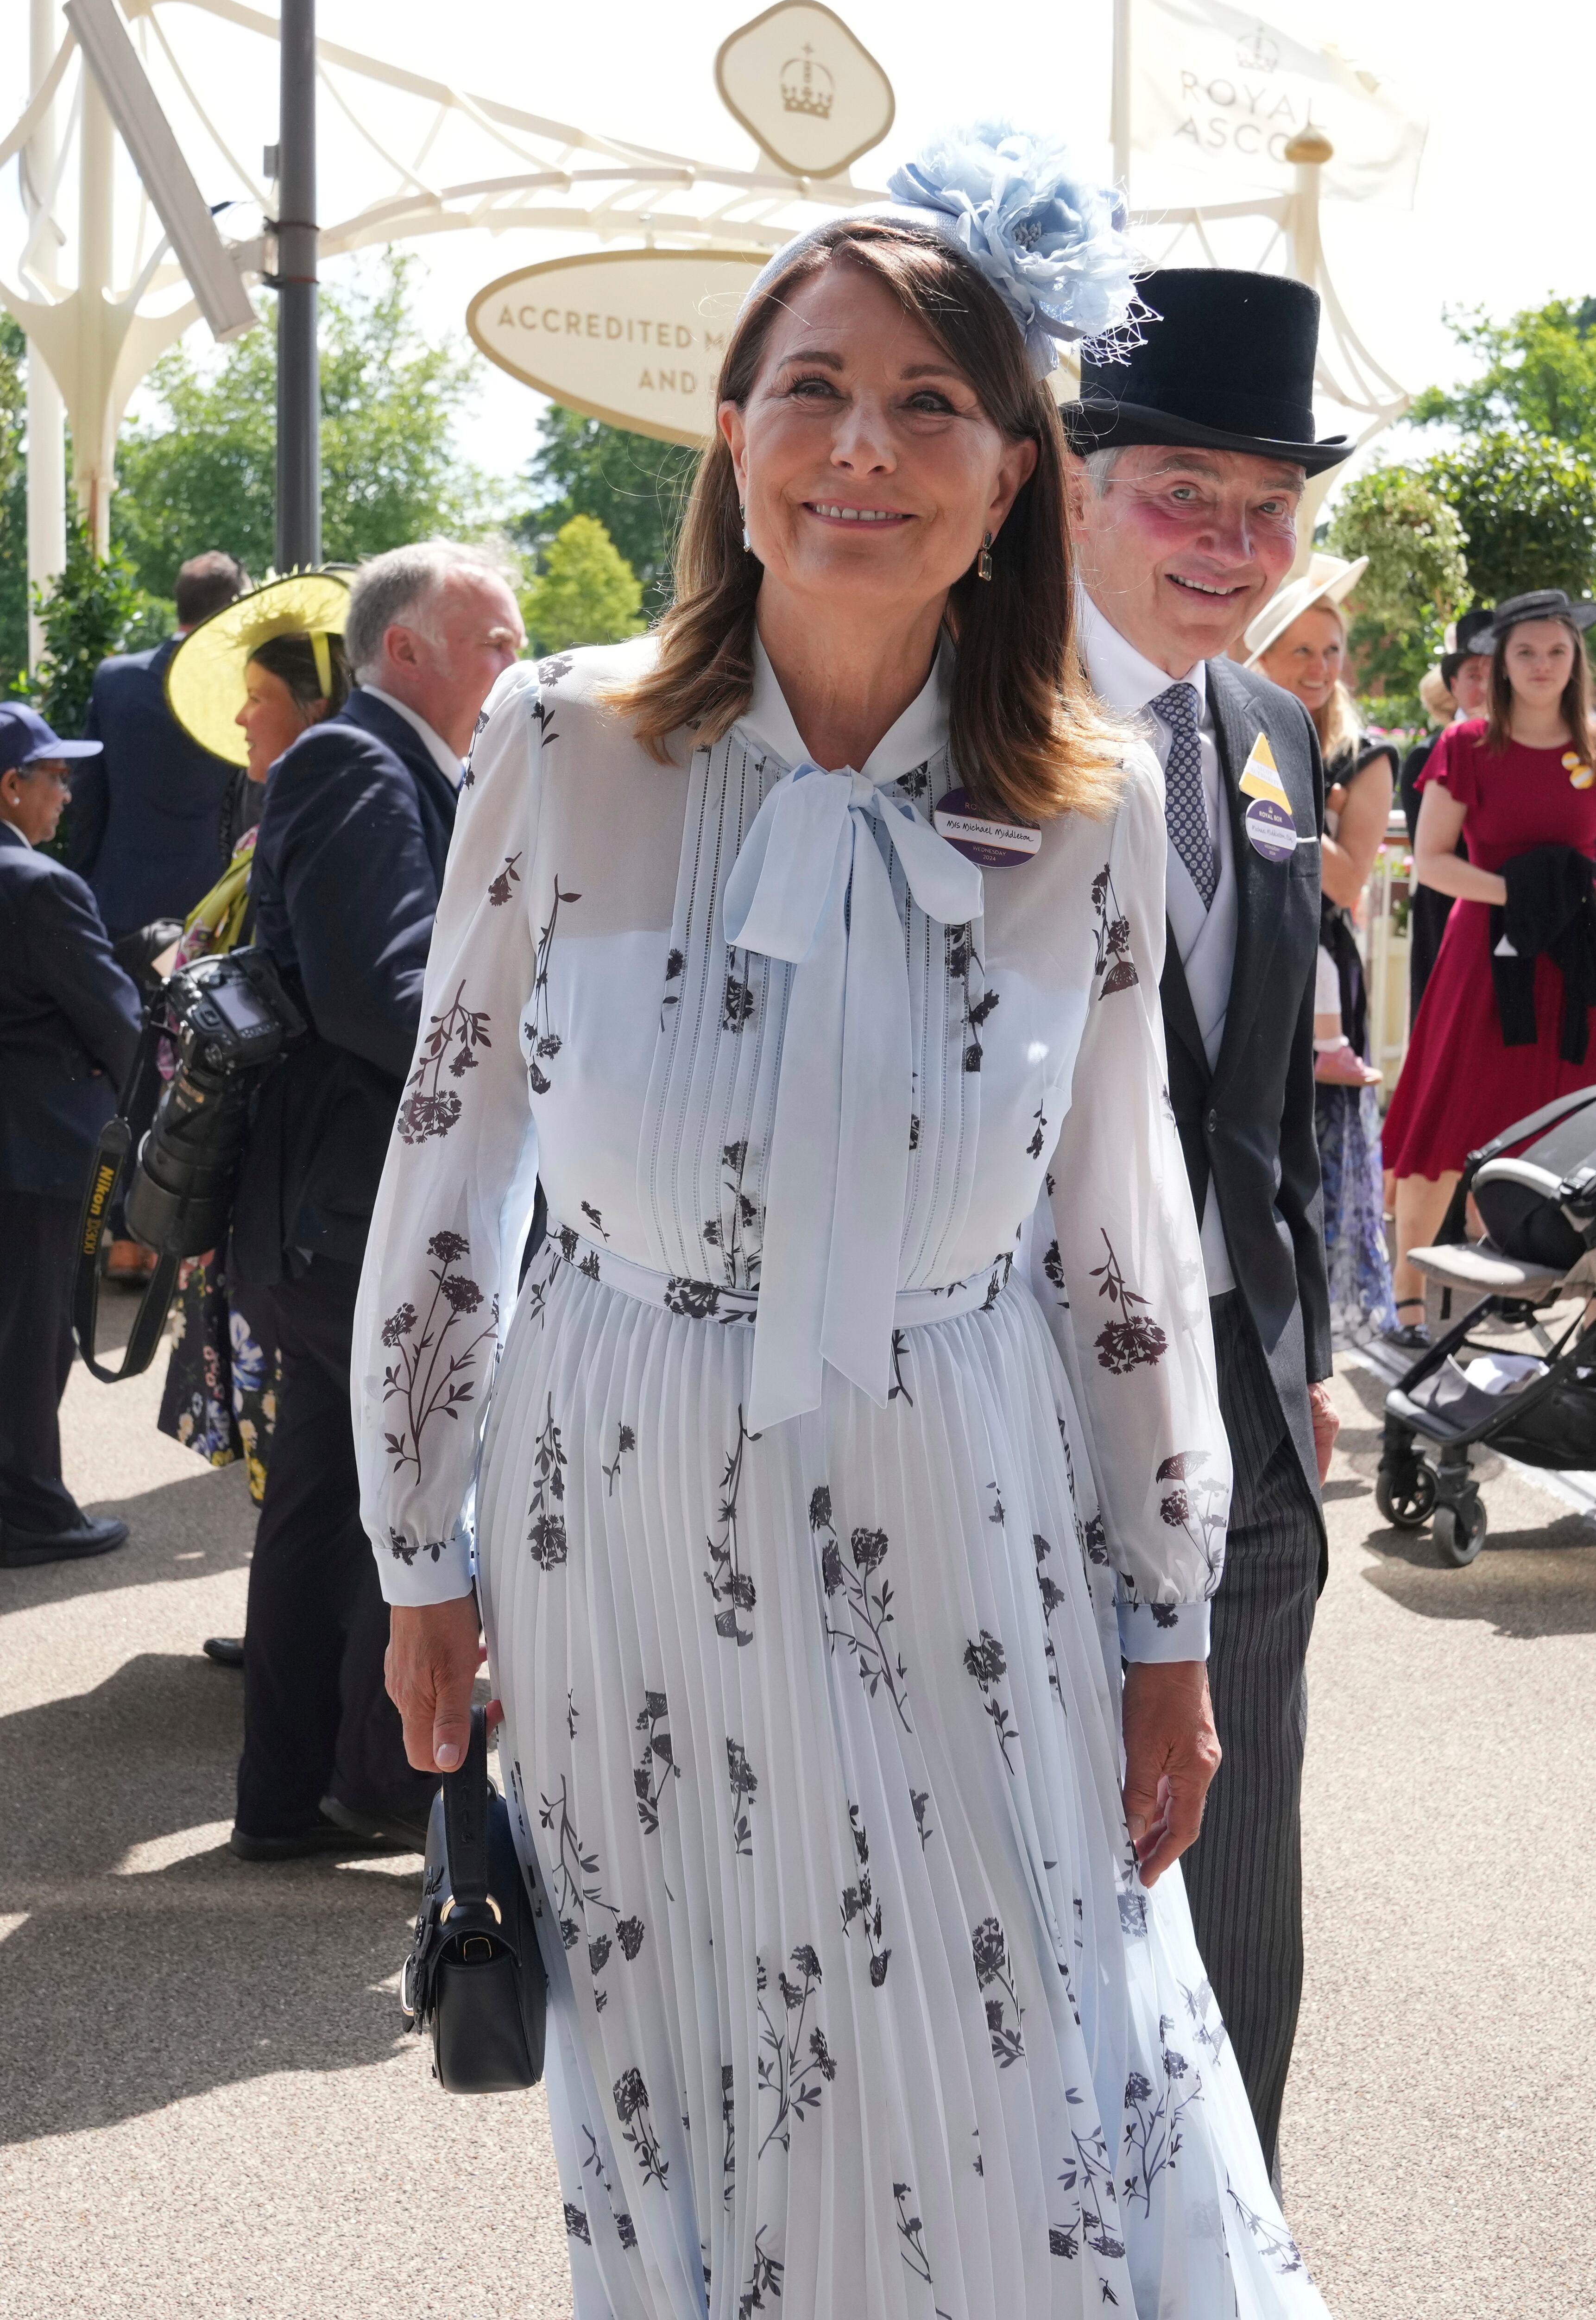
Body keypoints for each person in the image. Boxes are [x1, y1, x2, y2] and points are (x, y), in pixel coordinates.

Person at [357, 139, 1329, 2315]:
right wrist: (417, 1550)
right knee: (696, 2053)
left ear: (1014, 480)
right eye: (812, 390)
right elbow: (452, 1157)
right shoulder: (561, 738)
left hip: (961, 1477)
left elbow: (1118, 1234)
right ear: (732, 436)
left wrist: (1168, 1613)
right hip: (619, 1492)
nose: (861, 450)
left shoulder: (1087, 804)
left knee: (1034, 2049)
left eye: (929, 407)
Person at [1064, 266, 1339, 2185]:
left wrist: (1301, 1348)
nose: (1235, 546)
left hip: (1238, 1408)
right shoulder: (947, 702)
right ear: (1074, 479)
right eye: (1186, 491)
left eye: (1271, 507)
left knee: (1239, 1908)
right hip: (1006, 1407)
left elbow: (1247, 1099)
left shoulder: (1264, 730)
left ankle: (1229, 2245)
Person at [226, 543, 525, 1860]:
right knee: (382, 1493)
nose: (516, 657)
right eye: (497, 638)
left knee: (328, 1498)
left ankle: (296, 1794)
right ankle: (375, 1781)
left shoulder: (395, 761)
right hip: (351, 1209)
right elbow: (380, 992)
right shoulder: (358, 758)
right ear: (406, 649)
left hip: (336, 1205)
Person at [152, 579, 353, 1624]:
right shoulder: (277, 820)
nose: (239, 718)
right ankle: (289, 1623)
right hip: (252, 1179)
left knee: (300, 1428)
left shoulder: (319, 821)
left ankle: (303, 1636)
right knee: (279, 1427)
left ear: (313, 706)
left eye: (258, 694)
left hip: (287, 1177)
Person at [1384, 588, 1596, 1323]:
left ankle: (1553, 1303)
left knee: (1572, 1122)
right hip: (1485, 959)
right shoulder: (1466, 746)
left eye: (1556, 651)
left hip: (1574, 966)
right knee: (1448, 1121)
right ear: (1500, 664)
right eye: (1526, 652)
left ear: (1576, 661)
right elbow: (1432, 862)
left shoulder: (1595, 746)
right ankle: (1409, 1306)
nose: (1542, 666)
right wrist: (1524, 893)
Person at [67, 549, 251, 1279]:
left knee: (124, 1067)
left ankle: (117, 1236)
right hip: (208, 916)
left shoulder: (116, 682)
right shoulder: (240, 686)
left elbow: (90, 806)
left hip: (119, 906)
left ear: (175, 604)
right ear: (232, 606)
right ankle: (174, 1241)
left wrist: (81, 900)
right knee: (198, 1076)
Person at [0, 703, 141, 1567]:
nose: (67, 790)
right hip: (42, 1148)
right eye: (54, 775)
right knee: (34, 1332)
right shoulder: (42, 887)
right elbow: (117, 1022)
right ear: (10, 787)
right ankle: (33, 1510)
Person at [1247, 559, 1399, 1346]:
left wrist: (1283, 791)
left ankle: (1306, 1351)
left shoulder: (1361, 757)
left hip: (1318, 979)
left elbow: (1344, 882)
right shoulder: (1228, 724)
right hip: (1235, 964)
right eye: (1299, 649)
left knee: (1310, 1172)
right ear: (1262, 652)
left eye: (1331, 650)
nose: (1318, 667)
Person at [1398, 608, 1495, 1035]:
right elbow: (1435, 857)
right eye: (1473, 674)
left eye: (1496, 673)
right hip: (1449, 918)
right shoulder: (1427, 755)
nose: (1486, 685)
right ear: (1453, 685)